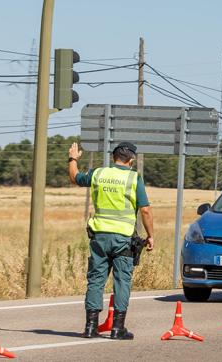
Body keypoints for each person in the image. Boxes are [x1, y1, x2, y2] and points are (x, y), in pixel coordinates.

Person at [68, 141, 155, 340]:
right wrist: (150, 235)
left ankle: (90, 327)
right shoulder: (134, 178)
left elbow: (74, 177)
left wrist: (73, 158)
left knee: (96, 280)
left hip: (99, 237)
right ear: (131, 160)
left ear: (114, 157)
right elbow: (145, 210)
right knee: (122, 281)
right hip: (123, 238)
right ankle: (117, 328)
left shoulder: (99, 174)